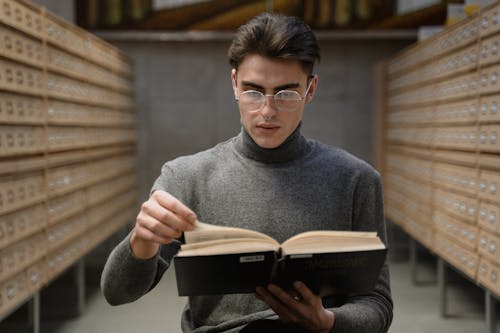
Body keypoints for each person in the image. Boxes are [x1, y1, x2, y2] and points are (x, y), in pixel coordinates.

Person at [101, 12, 393, 333]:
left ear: (310, 90)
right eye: (254, 91)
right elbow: (116, 293)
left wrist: (328, 322)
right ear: (234, 84)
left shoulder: (357, 180)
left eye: (286, 94)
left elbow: (376, 304)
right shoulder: (186, 176)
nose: (267, 111)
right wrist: (141, 241)